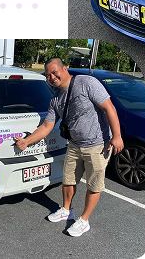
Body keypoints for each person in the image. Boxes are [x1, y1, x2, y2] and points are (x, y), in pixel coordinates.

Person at [15, 57, 124, 237]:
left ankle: (84, 221)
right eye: (48, 74)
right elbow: (46, 126)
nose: (51, 77)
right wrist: (27, 141)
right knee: (68, 179)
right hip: (74, 145)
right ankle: (66, 210)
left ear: (65, 68)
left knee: (94, 184)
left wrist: (117, 136)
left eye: (54, 71)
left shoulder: (86, 82)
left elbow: (109, 108)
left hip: (98, 144)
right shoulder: (55, 100)